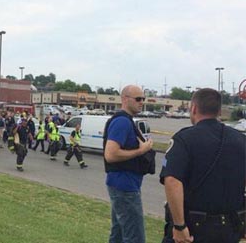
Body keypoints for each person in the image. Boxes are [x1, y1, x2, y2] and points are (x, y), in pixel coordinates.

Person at [160, 88, 246, 243]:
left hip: (193, 231)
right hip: (229, 230)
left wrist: (179, 226)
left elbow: (172, 180)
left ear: (193, 108)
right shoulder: (241, 140)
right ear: (219, 111)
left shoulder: (184, 139)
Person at [103, 85, 154, 243]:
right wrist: (141, 150)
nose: (142, 102)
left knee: (118, 234)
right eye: (138, 99)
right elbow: (110, 154)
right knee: (135, 237)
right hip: (125, 187)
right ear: (125, 99)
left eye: (143, 99)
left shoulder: (127, 121)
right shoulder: (122, 122)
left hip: (123, 185)